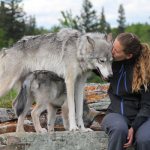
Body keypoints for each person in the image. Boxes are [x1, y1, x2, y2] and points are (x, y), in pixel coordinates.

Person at [101, 32, 150, 150]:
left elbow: (147, 105)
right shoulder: (109, 62)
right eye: (113, 47)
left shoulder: (145, 70)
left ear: (128, 55)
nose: (112, 52)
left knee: (145, 139)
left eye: (116, 51)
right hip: (115, 114)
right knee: (119, 129)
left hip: (143, 117)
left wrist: (134, 127)